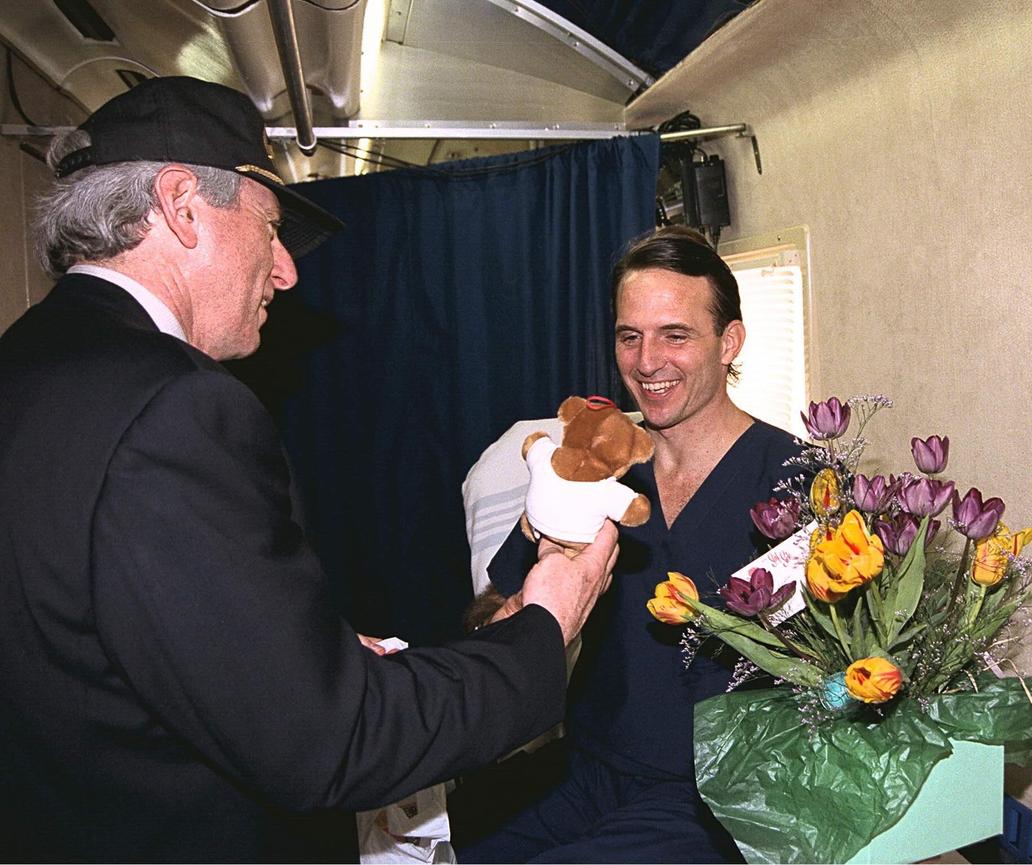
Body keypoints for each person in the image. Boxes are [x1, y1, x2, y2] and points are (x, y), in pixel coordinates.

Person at [0, 76, 618, 863]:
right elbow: (336, 743)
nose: (287, 272)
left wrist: (289, 653)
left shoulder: (25, 366)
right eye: (270, 229)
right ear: (183, 205)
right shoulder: (177, 408)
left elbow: (92, 644)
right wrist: (547, 622)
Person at [451, 226, 802, 863]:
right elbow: (494, 615)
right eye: (629, 336)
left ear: (730, 342)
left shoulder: (793, 481)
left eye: (676, 334)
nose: (646, 362)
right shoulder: (594, 467)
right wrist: (537, 546)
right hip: (588, 767)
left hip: (717, 795)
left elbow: (833, 672)